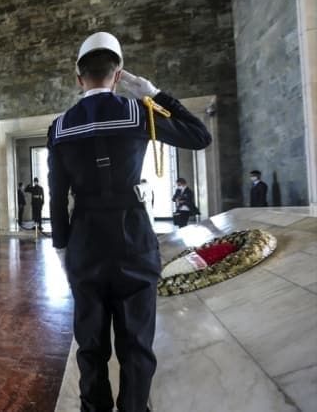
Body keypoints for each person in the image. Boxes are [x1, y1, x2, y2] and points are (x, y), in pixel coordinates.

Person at [48, 31, 211, 412]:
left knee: (90, 346)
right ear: (118, 75)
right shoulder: (140, 113)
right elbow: (199, 136)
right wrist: (155, 94)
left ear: (78, 78)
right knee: (136, 345)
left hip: (84, 245)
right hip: (133, 240)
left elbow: (57, 197)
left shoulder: (59, 127)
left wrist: (61, 248)